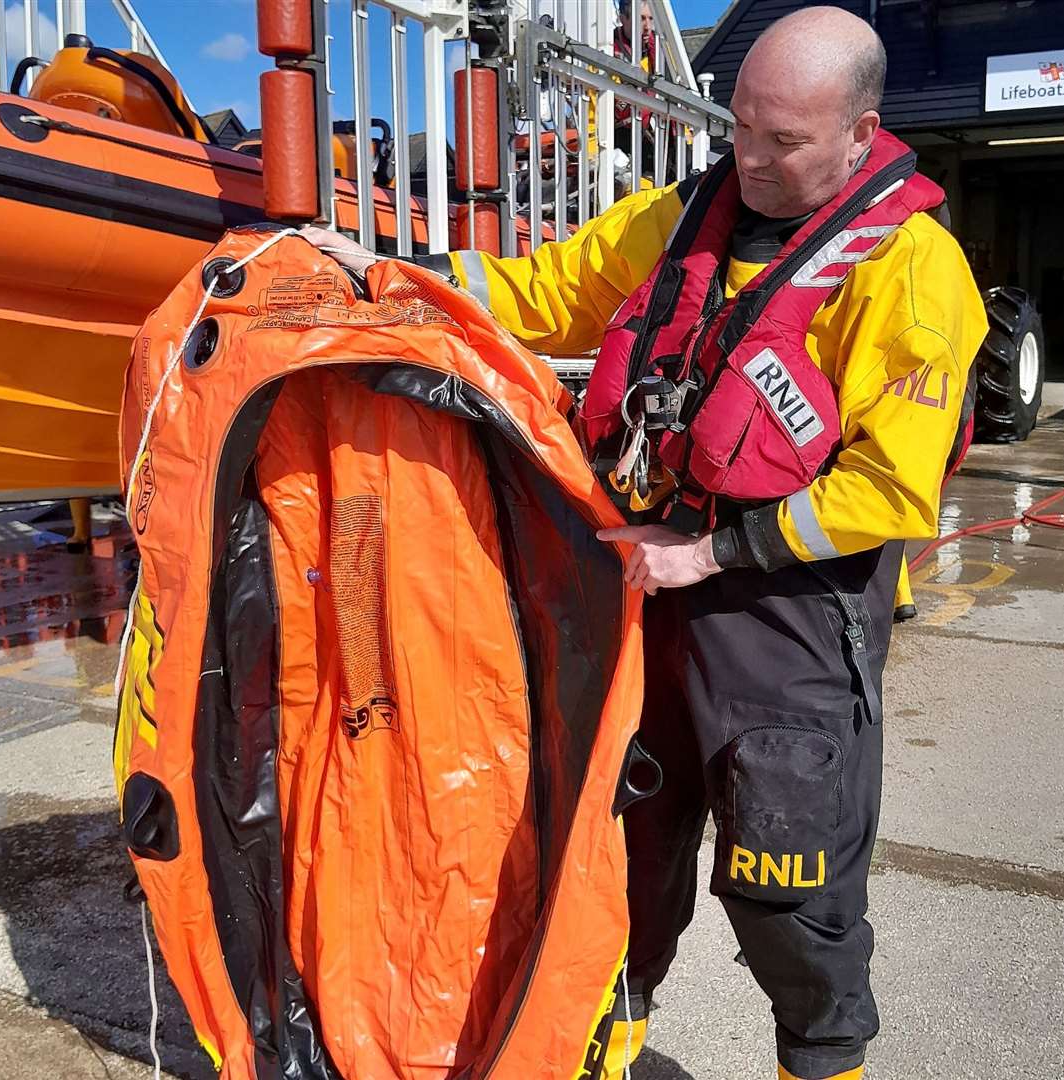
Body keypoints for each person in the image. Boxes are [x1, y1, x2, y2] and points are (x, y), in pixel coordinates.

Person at [305, 9, 986, 1078]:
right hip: (644, 592)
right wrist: (388, 273)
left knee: (788, 888)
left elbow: (891, 487)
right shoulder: (680, 218)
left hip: (784, 614)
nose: (750, 160)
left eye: (782, 142)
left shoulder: (912, 269)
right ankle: (605, 1043)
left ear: (861, 133)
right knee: (620, 843)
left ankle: (823, 1061)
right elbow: (545, 293)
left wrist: (711, 557)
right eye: (740, 129)